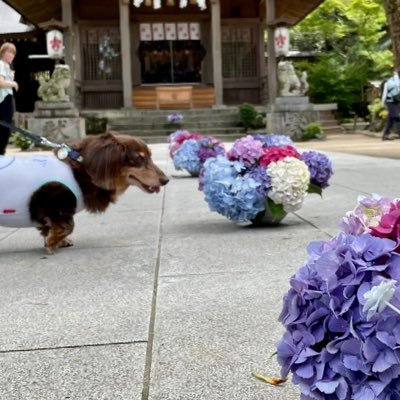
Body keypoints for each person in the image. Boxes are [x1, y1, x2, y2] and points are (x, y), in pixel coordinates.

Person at [0, 42, 18, 155]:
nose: (11, 55)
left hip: (6, 97)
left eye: (13, 53)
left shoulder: (6, 65)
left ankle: (1, 152)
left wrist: (11, 77)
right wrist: (14, 84)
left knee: (5, 127)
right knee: (4, 127)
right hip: (3, 99)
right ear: (2, 53)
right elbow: (0, 82)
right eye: (9, 52)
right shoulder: (1, 64)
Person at [381, 69, 400, 141]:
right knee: (396, 117)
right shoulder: (396, 82)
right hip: (395, 101)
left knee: (391, 119)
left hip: (390, 101)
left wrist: (382, 103)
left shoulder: (388, 82)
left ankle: (385, 135)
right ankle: (398, 132)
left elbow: (384, 94)